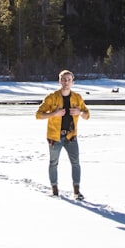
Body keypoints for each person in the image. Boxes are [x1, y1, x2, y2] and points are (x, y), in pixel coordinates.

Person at [35, 69, 90, 199]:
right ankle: (54, 190)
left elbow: (87, 115)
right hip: (55, 137)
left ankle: (76, 191)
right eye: (64, 79)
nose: (66, 82)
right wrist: (54, 113)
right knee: (53, 163)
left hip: (71, 136)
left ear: (73, 82)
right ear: (59, 81)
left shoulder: (77, 98)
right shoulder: (52, 97)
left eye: (69, 80)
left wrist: (80, 113)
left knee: (75, 162)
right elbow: (38, 115)